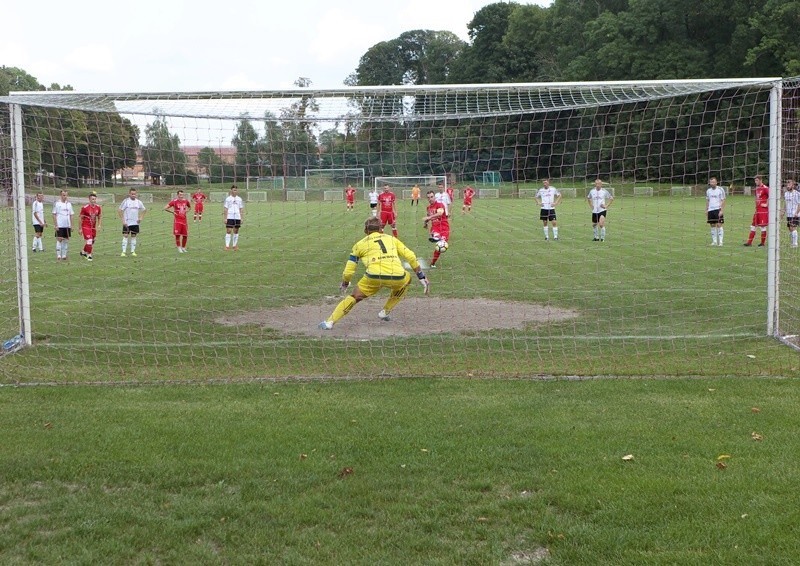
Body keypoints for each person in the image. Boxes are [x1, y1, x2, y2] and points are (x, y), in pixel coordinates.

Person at [318, 216, 429, 330]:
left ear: (365, 231)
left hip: (373, 277)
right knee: (408, 279)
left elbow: (349, 270)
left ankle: (329, 322)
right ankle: (385, 311)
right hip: (397, 276)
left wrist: (345, 283)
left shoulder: (359, 245)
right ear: (381, 229)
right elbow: (410, 256)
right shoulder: (391, 239)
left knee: (354, 297)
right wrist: (421, 277)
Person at [423, 190, 450, 268]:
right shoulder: (428, 208)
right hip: (435, 228)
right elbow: (428, 217)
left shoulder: (440, 205)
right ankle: (436, 237)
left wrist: (429, 217)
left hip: (444, 228)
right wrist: (425, 223)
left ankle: (433, 263)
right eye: (428, 198)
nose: (430, 199)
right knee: (439, 242)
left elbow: (440, 213)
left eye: (431, 197)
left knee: (440, 248)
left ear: (434, 197)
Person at [118, 188, 147, 257]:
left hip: (135, 223)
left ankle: (132, 251)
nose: (133, 195)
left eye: (134, 194)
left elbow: (144, 210)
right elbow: (119, 210)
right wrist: (123, 220)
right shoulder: (126, 201)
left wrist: (140, 218)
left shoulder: (138, 202)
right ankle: (123, 252)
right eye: (132, 194)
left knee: (133, 236)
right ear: (129, 194)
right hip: (127, 223)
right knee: (125, 236)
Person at [744, 176, 769, 246]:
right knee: (753, 225)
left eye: (757, 180)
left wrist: (766, 204)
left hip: (763, 211)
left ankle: (762, 243)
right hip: (757, 210)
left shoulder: (765, 188)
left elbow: (771, 196)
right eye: (755, 181)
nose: (756, 182)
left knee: (763, 226)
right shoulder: (757, 188)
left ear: (761, 180)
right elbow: (756, 197)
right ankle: (749, 242)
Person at [79, 192, 102, 261]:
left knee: (92, 241)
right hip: (86, 226)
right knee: (89, 240)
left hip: (93, 227)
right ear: (89, 199)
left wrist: (99, 225)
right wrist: (80, 228)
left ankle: (83, 251)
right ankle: (89, 255)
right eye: (92, 199)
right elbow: (80, 218)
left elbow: (99, 217)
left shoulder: (98, 207)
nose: (94, 200)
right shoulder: (85, 208)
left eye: (95, 199)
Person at [51, 189, 74, 261]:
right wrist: (56, 225)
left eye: (66, 195)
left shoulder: (69, 204)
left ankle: (64, 255)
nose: (65, 196)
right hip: (60, 225)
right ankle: (58, 255)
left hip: (67, 225)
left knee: (66, 240)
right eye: (63, 195)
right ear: (61, 195)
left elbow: (71, 215)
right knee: (59, 239)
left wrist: (72, 225)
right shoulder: (57, 203)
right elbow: (54, 214)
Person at [706, 177, 726, 246]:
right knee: (712, 225)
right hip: (711, 210)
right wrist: (706, 209)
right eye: (711, 182)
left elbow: (723, 200)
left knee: (719, 225)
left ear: (716, 182)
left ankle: (720, 242)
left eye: (713, 182)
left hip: (718, 209)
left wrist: (721, 210)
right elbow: (708, 200)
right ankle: (714, 241)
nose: (712, 184)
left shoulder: (720, 189)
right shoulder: (708, 191)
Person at [223, 185, 245, 250]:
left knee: (236, 231)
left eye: (236, 190)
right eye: (234, 190)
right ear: (231, 190)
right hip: (230, 217)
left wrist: (241, 218)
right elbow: (225, 209)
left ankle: (234, 245)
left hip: (237, 217)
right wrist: (225, 218)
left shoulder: (239, 199)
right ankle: (227, 246)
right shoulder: (228, 199)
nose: (235, 191)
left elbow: (241, 209)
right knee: (229, 230)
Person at [782, 178, 800, 248]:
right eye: (787, 184)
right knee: (790, 228)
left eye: (789, 184)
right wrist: (783, 212)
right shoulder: (786, 194)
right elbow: (785, 204)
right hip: (789, 214)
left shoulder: (797, 193)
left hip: (795, 214)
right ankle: (792, 243)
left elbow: (799, 204)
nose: (788, 186)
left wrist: (797, 212)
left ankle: (795, 244)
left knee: (793, 228)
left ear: (793, 185)